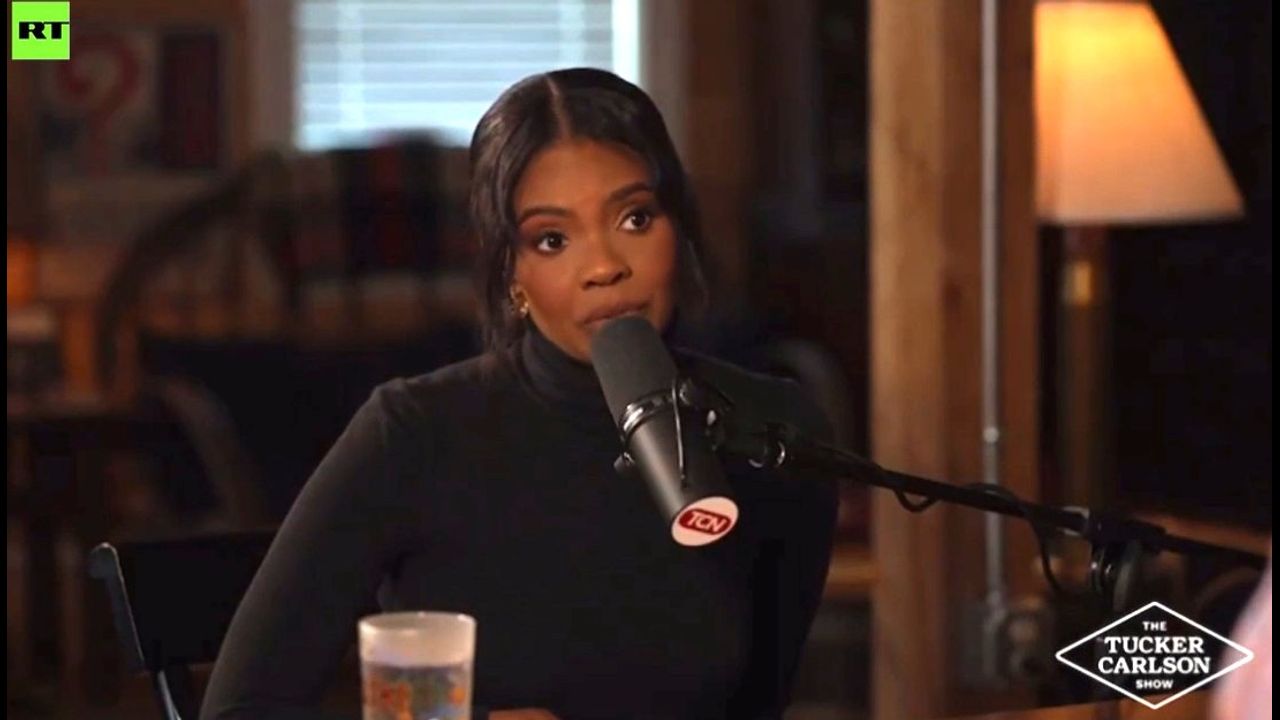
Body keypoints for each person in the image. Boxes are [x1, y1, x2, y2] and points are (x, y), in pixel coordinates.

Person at [201, 67, 838, 720]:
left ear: (679, 227)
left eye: (636, 217)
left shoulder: (773, 433)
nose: (604, 266)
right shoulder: (413, 435)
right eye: (553, 239)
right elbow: (240, 711)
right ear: (512, 272)